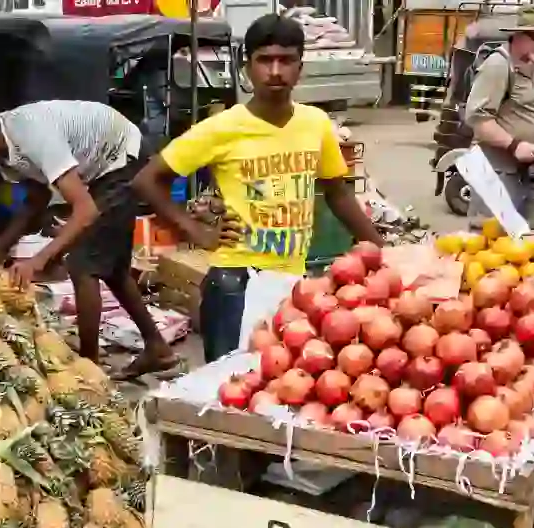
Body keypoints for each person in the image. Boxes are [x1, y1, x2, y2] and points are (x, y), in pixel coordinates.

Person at [132, 14, 385, 363]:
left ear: (300, 66)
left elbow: (337, 193)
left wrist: (381, 252)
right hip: (236, 282)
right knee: (227, 386)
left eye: (286, 60)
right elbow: (147, 181)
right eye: (265, 61)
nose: (276, 71)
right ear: (247, 67)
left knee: (281, 385)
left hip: (294, 282)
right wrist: (195, 231)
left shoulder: (315, 124)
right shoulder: (222, 128)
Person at [0, 93, 180, 379]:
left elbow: (85, 210)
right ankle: (157, 347)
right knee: (111, 267)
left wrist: (39, 259)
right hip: (104, 163)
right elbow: (36, 199)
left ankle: (89, 368)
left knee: (82, 264)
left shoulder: (32, 136)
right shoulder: (4, 151)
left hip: (120, 156)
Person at [463, 4, 534, 218]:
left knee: (525, 243)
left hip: (528, 173)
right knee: (491, 243)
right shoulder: (498, 65)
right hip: (497, 173)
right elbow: (477, 119)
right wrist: (514, 145)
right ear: (518, 35)